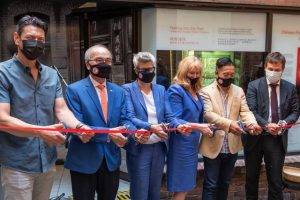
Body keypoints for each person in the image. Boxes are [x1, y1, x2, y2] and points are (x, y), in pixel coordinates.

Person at [0, 15, 89, 200]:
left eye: (41, 39)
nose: (36, 43)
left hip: (47, 161)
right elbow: (3, 119)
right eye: (31, 38)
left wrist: (78, 127)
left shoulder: (51, 74)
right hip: (17, 163)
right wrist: (41, 132)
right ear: (17, 39)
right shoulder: (3, 73)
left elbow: (61, 109)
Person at [65, 44, 132, 200]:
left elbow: (125, 119)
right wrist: (110, 134)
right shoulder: (74, 90)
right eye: (99, 60)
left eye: (108, 60)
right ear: (88, 64)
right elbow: (77, 123)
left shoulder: (119, 91)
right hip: (83, 159)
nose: (105, 64)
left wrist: (127, 133)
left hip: (111, 160)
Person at [123, 52, 190, 200]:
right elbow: (130, 117)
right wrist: (151, 126)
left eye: (151, 69)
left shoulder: (160, 89)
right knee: (140, 190)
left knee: (155, 190)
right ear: (136, 70)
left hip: (159, 146)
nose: (148, 72)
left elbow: (169, 116)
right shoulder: (127, 89)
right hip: (140, 146)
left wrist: (179, 126)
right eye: (144, 70)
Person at [200, 57, 261, 200]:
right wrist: (229, 124)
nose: (229, 77)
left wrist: (252, 124)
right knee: (211, 184)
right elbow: (208, 114)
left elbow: (245, 111)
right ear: (217, 73)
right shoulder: (205, 91)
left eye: (231, 74)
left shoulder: (238, 91)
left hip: (232, 145)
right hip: (212, 145)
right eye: (225, 74)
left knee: (225, 183)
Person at [245, 52, 300, 200]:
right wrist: (266, 125)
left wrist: (283, 123)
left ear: (283, 69)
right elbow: (251, 110)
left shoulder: (290, 88)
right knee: (251, 178)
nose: (273, 72)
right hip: (255, 137)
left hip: (276, 139)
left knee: (275, 181)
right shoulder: (253, 86)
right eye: (271, 69)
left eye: (277, 70)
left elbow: (295, 112)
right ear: (265, 67)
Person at [166, 56, 213, 200]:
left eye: (197, 73)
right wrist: (199, 127)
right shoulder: (176, 89)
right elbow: (173, 119)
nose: (194, 76)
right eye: (191, 73)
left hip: (192, 143)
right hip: (180, 143)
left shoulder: (195, 90)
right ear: (183, 72)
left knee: (185, 185)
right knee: (181, 186)